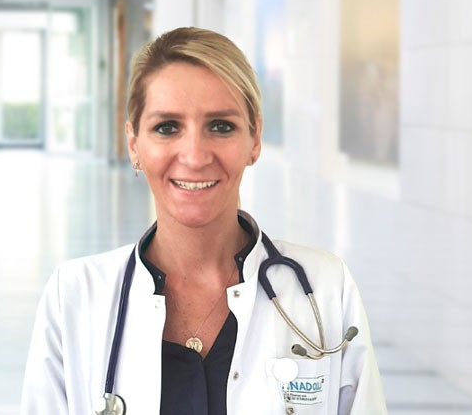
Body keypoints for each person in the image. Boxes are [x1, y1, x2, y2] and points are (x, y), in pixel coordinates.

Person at [21, 26, 386, 415]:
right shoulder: (74, 297)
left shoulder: (327, 288)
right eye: (167, 127)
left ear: (254, 139)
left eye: (221, 126)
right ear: (134, 144)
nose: (194, 157)